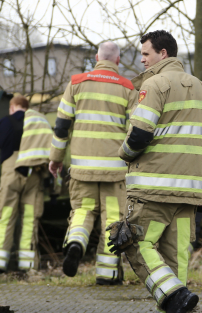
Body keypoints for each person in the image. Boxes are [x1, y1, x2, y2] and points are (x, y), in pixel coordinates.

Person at [115, 29, 202, 313]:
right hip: (192, 190)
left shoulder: (154, 84)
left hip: (153, 188)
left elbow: (140, 135)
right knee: (177, 255)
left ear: (163, 54)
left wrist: (123, 155)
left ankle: (175, 296)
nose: (142, 60)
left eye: (146, 54)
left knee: (135, 242)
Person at [50, 41, 138, 283]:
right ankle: (107, 275)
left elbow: (61, 127)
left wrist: (55, 160)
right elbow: (137, 131)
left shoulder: (76, 83)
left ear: (97, 57)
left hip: (82, 170)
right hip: (115, 172)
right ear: (118, 61)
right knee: (112, 219)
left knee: (83, 211)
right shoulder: (128, 88)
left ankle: (76, 243)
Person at [0, 94, 52, 271]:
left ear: (12, 108)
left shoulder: (2, 123)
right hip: (34, 174)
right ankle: (28, 265)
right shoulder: (37, 123)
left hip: (10, 175)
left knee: (5, 216)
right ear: (26, 107)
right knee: (30, 218)